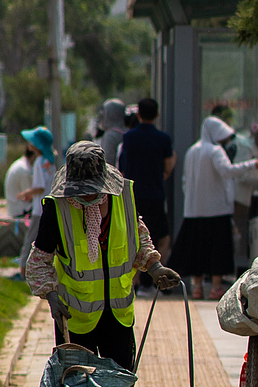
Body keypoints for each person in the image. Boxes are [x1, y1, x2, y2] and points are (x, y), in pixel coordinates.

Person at [25, 140, 181, 366]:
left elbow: (138, 239)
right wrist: (51, 296)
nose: (88, 196)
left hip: (118, 319)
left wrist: (155, 267)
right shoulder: (57, 209)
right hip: (75, 320)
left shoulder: (123, 198)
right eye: (82, 191)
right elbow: (39, 262)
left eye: (92, 190)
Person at [172, 116, 258, 301]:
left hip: (193, 210)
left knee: (197, 250)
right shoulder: (215, 151)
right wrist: (252, 164)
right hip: (216, 210)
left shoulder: (191, 151)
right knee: (216, 251)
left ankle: (197, 288)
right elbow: (227, 171)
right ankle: (215, 287)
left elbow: (184, 181)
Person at [118, 95, 175, 261]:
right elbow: (168, 167)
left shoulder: (128, 138)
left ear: (138, 115)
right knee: (162, 238)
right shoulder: (163, 139)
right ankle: (157, 278)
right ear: (157, 115)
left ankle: (136, 282)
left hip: (133, 196)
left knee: (134, 240)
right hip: (155, 196)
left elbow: (123, 168)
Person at [16, 125, 57, 273]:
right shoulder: (51, 160)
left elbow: (39, 187)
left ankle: (23, 271)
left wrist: (25, 193)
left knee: (30, 239)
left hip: (39, 209)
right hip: (51, 207)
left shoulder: (39, 162)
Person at [3, 141, 33, 221]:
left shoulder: (21, 164)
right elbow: (28, 197)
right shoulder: (24, 169)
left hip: (15, 209)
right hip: (19, 211)